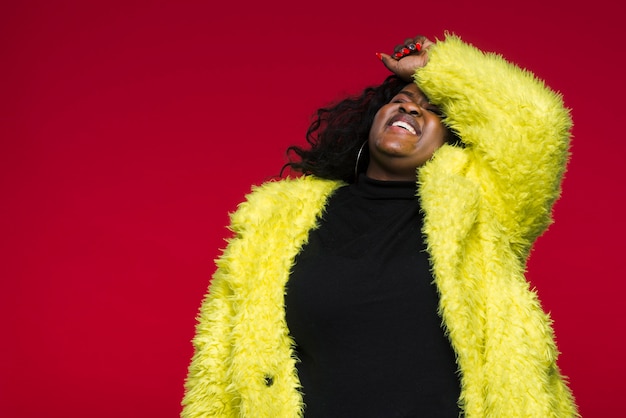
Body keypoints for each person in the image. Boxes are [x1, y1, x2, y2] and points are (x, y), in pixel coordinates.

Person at [181, 33, 578, 417]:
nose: (410, 109)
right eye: (402, 100)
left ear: (452, 142)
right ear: (374, 119)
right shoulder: (277, 219)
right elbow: (218, 357)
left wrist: (437, 68)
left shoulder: (482, 208)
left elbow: (537, 122)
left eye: (434, 110)